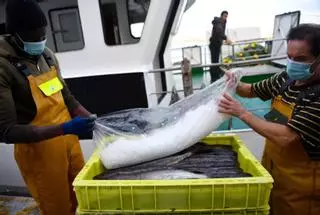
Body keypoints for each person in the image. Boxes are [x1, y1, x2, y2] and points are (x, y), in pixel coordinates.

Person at [0, 0, 96, 214]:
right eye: (34, 37)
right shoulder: (3, 67)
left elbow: (67, 97)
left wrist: (92, 119)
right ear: (15, 36)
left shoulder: (46, 55)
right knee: (57, 208)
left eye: (43, 35)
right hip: (40, 154)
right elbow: (7, 131)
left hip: (70, 145)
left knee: (84, 199)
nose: (40, 41)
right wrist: (65, 128)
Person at [219, 24, 320, 215]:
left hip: (303, 191)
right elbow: (250, 90)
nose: (293, 64)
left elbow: (287, 137)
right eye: (289, 57)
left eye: (301, 59)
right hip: (273, 175)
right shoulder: (286, 78)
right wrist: (234, 83)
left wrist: (242, 113)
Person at [209, 10, 232, 83]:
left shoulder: (222, 22)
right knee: (214, 61)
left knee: (215, 60)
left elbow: (220, 32)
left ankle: (215, 75)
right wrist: (226, 38)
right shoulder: (218, 22)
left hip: (217, 44)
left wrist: (223, 39)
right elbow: (219, 31)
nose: (225, 18)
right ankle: (214, 77)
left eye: (226, 16)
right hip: (214, 44)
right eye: (224, 16)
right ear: (221, 16)